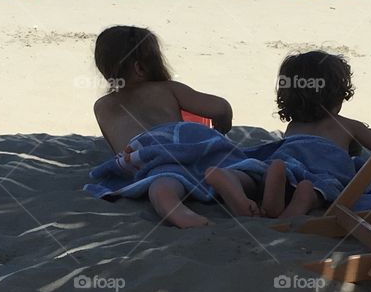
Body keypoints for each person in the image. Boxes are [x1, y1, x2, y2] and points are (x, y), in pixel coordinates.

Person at [89, 26, 261, 228]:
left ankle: (179, 212)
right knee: (236, 167)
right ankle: (231, 182)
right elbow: (220, 108)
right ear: (140, 68)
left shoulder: (102, 107)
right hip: (184, 140)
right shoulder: (167, 89)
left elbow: (120, 152)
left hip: (145, 153)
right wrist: (222, 127)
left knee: (161, 183)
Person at [255, 51, 371, 217]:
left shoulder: (294, 126)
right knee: (325, 186)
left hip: (289, 160)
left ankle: (276, 192)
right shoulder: (348, 125)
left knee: (290, 176)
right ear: (338, 94)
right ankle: (308, 197)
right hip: (326, 168)